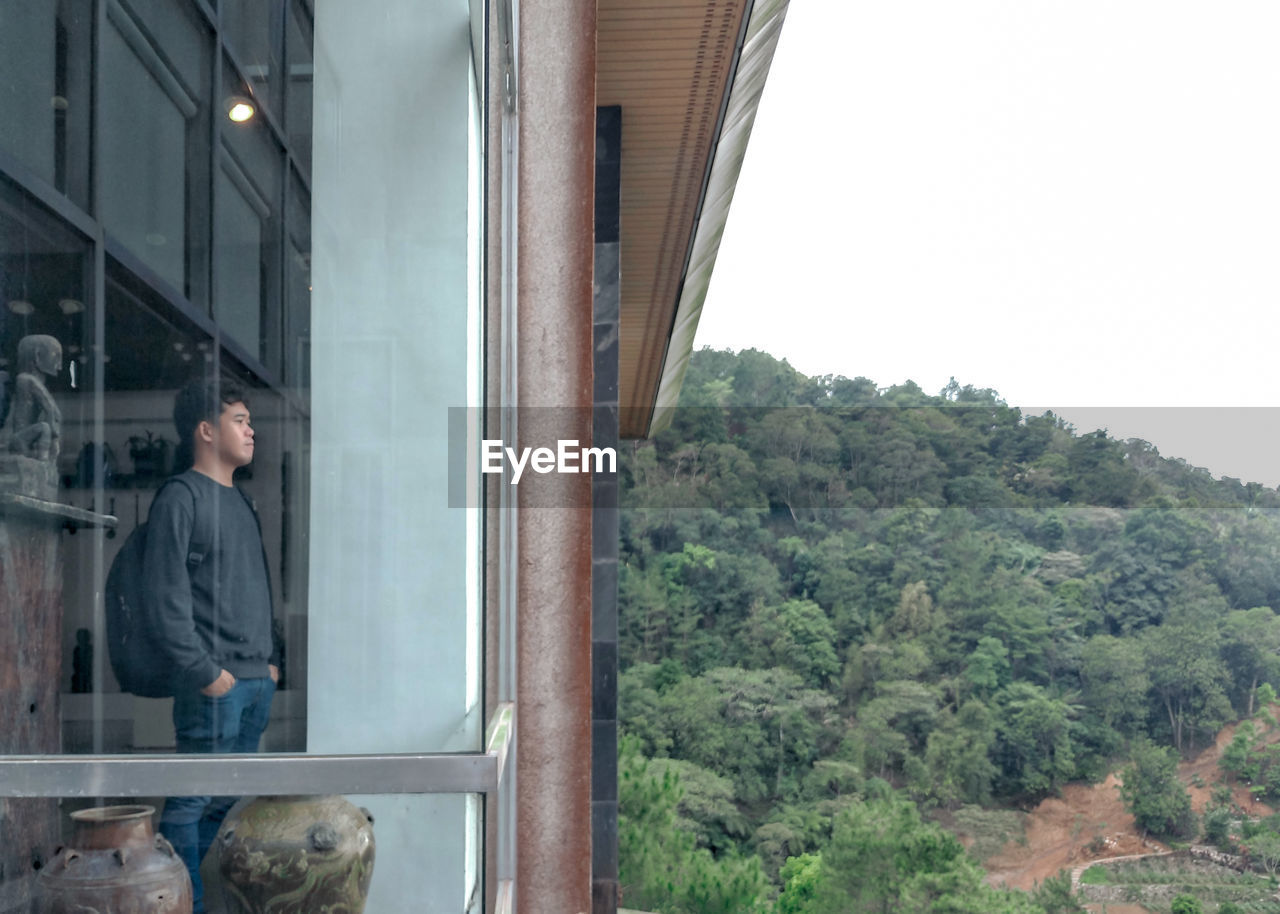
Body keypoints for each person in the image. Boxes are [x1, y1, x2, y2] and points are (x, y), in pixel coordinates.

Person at [149, 378, 278, 914]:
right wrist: (204, 671)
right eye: (239, 420)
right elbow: (164, 598)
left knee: (223, 800)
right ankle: (186, 905)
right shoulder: (181, 498)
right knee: (190, 800)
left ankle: (202, 899)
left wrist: (269, 666)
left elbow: (252, 587)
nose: (252, 431)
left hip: (251, 680)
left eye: (250, 421)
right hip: (214, 682)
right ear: (206, 430)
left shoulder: (241, 501)